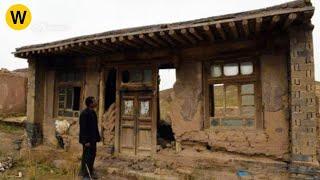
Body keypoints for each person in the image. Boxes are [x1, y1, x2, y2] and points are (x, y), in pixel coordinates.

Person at [79, 96, 101, 179]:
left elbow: (95, 127)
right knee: (87, 156)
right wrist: (85, 141)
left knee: (92, 155)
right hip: (87, 140)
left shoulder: (93, 113)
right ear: (90, 103)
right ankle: (85, 174)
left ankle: (90, 172)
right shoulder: (84, 114)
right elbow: (83, 129)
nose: (96, 102)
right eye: (94, 101)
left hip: (93, 139)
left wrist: (97, 137)